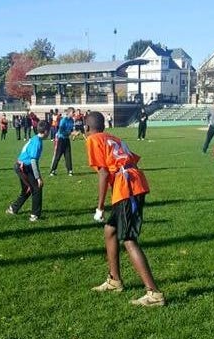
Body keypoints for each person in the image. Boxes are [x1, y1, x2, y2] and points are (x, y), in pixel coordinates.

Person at [84, 111, 165, 307]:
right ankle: (114, 280)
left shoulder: (93, 139)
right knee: (110, 230)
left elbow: (103, 174)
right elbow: (131, 159)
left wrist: (100, 206)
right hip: (132, 182)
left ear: (86, 127)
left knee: (129, 239)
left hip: (127, 188)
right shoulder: (113, 137)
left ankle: (154, 293)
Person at [6, 120, 50, 222]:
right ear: (46, 131)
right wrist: (38, 178)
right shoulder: (37, 142)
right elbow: (33, 161)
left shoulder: (35, 139)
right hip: (23, 167)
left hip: (23, 166)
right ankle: (34, 215)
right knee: (36, 188)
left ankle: (13, 208)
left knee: (28, 189)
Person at [49, 107, 75, 176]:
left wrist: (74, 132)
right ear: (69, 113)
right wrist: (71, 133)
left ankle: (70, 170)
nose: (74, 114)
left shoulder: (72, 120)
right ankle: (53, 171)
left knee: (68, 155)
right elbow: (61, 131)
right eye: (73, 112)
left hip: (67, 139)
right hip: (61, 139)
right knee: (58, 155)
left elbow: (71, 129)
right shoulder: (63, 120)